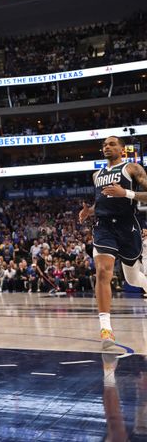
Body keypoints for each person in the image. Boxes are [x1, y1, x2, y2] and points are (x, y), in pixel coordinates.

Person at [79, 136, 147, 351]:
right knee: (102, 272)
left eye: (111, 144)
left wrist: (125, 193)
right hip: (104, 227)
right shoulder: (96, 175)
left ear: (122, 149)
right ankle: (106, 329)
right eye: (104, 145)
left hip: (128, 226)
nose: (106, 147)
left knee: (133, 278)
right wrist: (89, 211)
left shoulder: (133, 168)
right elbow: (102, 201)